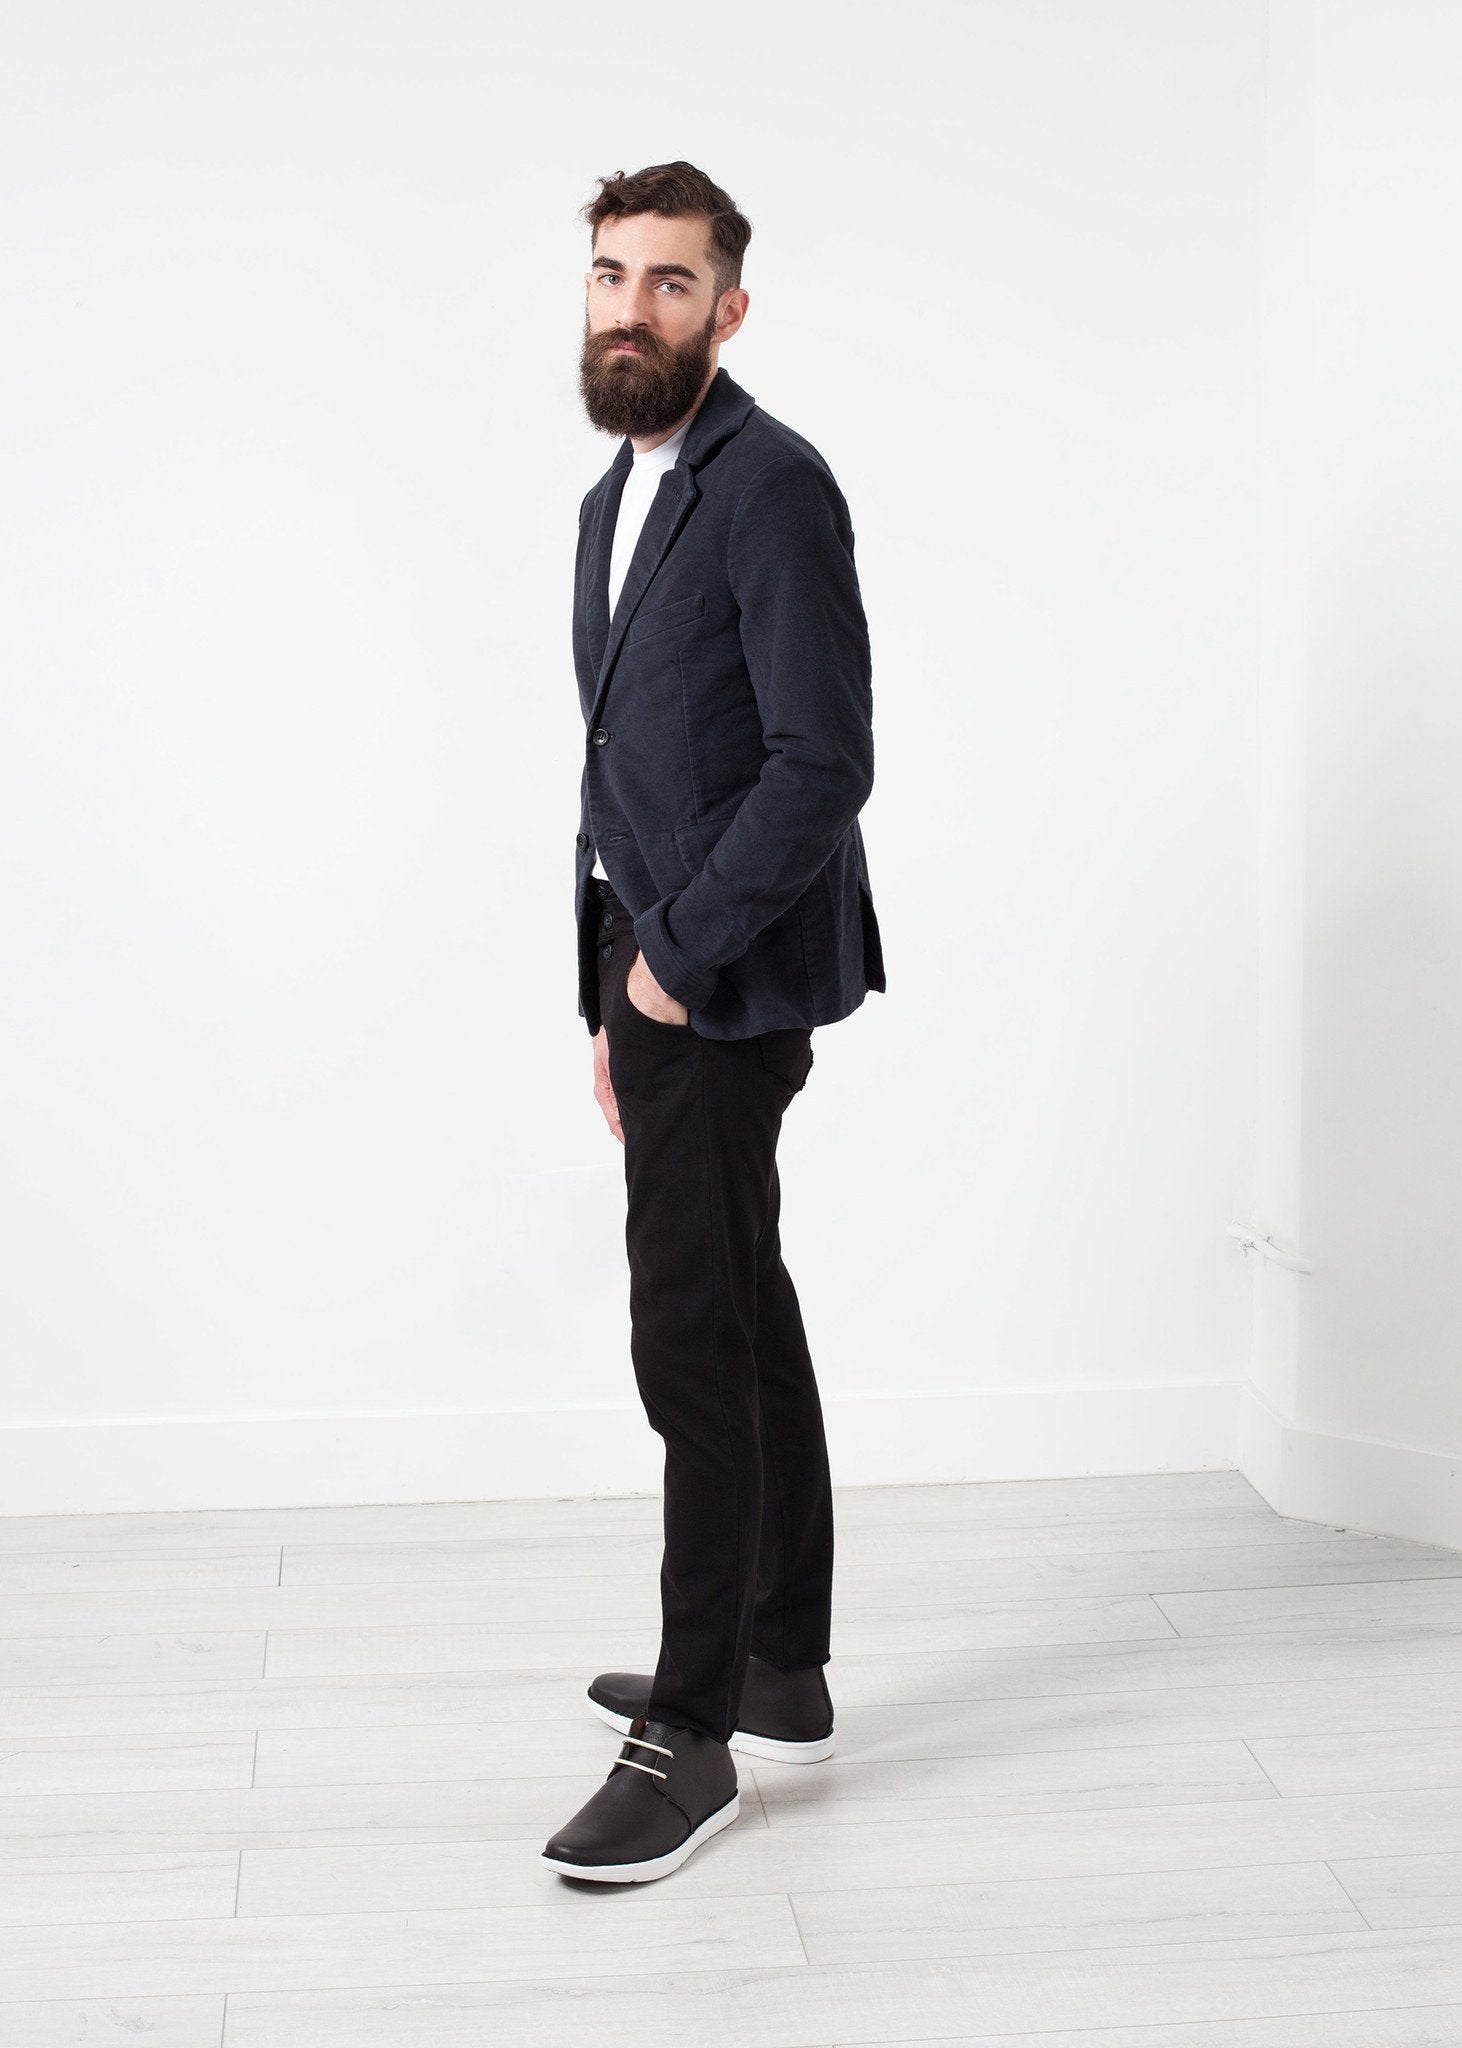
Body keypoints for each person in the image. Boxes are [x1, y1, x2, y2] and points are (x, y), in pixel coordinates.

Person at [540, 160, 885, 1884]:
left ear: (726, 310)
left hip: (726, 969)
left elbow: (823, 762)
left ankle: (690, 1736)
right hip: (655, 967)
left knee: (687, 1330)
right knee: (740, 1300)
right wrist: (609, 990)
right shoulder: (615, 494)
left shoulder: (770, 485)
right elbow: (624, 758)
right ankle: (778, 1663)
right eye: (612, 276)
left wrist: (670, 965)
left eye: (670, 283)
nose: (633, 309)